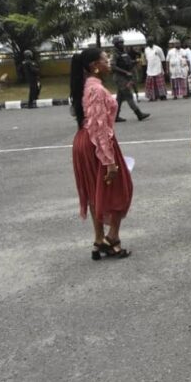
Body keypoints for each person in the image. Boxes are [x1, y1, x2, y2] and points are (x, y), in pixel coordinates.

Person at [70, 47, 132, 260]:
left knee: (96, 191)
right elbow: (99, 126)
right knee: (119, 189)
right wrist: (109, 161)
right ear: (95, 66)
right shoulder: (95, 89)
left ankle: (99, 240)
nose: (109, 61)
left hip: (83, 141)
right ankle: (111, 238)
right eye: (105, 59)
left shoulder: (86, 86)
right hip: (96, 143)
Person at [111, 36, 149, 123]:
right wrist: (125, 72)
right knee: (129, 96)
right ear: (116, 44)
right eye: (120, 43)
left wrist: (134, 62)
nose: (122, 44)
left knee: (119, 99)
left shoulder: (123, 53)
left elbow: (127, 62)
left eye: (122, 43)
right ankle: (139, 114)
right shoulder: (115, 54)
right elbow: (113, 66)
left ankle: (115, 116)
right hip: (120, 78)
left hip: (125, 77)